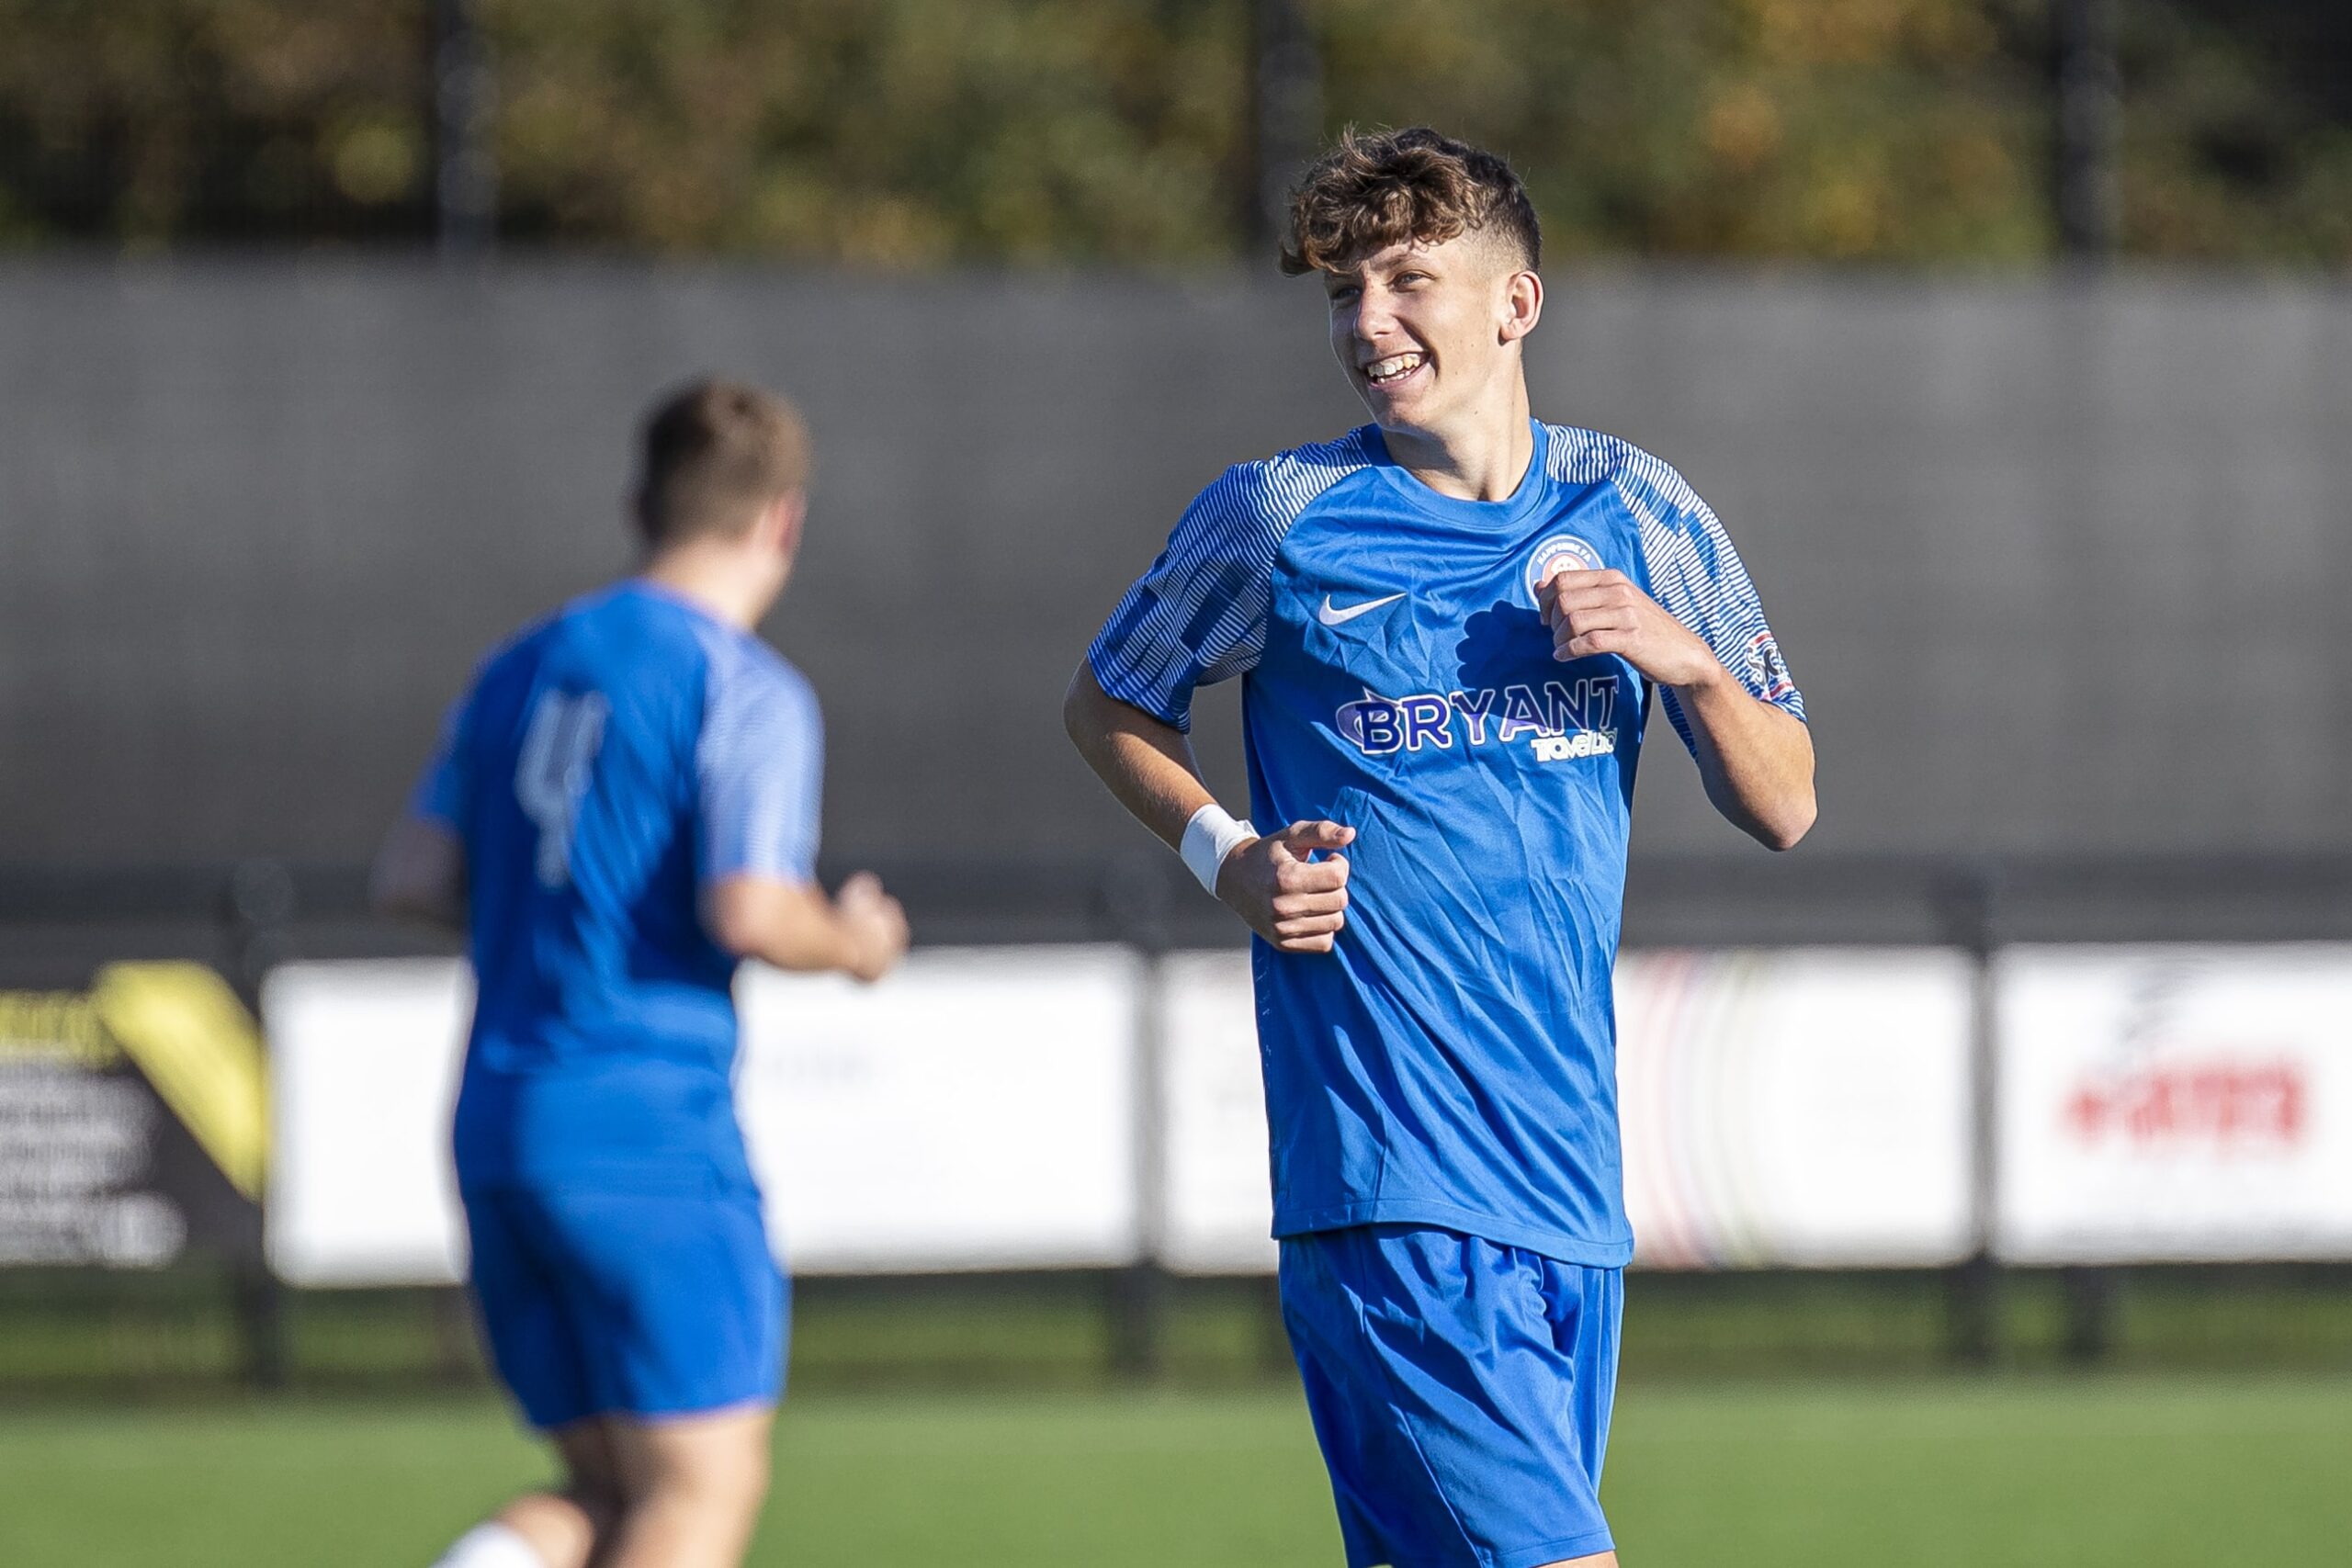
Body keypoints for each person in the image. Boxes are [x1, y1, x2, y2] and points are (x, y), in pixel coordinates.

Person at [1064, 128, 1815, 1568]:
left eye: (1407, 280)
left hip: (1571, 1196)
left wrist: (1690, 667)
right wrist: (1226, 852)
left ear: (1515, 305)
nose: (1368, 323)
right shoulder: (1278, 517)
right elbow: (1107, 706)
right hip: (1392, 1189)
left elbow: (1785, 802)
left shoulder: (1642, 512)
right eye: (1344, 292)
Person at [372, 378, 910, 1568]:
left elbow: (410, 875)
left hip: (501, 1122)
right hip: (647, 1133)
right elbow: (751, 907)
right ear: (784, 521)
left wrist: (548, 899)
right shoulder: (744, 687)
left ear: (639, 503)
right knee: (698, 1497)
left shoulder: (522, 665)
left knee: (607, 1498)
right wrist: (857, 941)